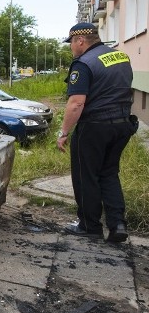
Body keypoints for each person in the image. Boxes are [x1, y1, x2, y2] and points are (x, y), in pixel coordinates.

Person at [57, 22, 136, 242]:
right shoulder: (121, 57)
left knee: (86, 176)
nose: (71, 47)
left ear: (80, 41)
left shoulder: (83, 63)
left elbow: (76, 103)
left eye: (71, 43)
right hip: (122, 125)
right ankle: (117, 224)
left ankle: (89, 226)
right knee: (109, 173)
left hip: (94, 127)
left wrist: (63, 132)